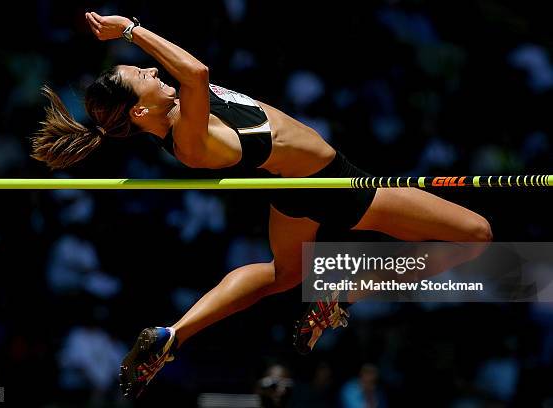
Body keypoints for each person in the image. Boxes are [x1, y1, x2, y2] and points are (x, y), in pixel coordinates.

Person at [30, 11, 493, 399]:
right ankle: (344, 293)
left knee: (283, 274)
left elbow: (175, 79)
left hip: (292, 190)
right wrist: (132, 29)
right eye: (141, 77)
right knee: (476, 236)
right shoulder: (188, 136)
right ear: (139, 112)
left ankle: (173, 335)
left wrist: (118, 57)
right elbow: (196, 73)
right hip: (333, 184)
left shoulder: (173, 113)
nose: (151, 71)